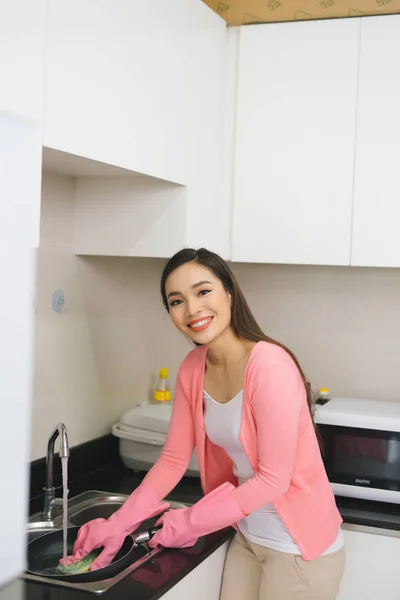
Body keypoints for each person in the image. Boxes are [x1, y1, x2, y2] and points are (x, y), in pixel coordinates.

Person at [63, 248, 345, 599]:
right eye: (177, 300)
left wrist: (191, 521)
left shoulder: (270, 367)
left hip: (299, 548)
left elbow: (274, 478)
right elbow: (172, 459)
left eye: (203, 291)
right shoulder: (193, 367)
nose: (193, 309)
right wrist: (119, 523)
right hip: (247, 537)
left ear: (229, 291)